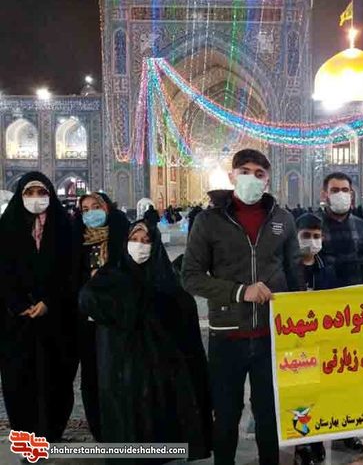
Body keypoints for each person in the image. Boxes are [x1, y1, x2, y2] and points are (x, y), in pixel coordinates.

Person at [182, 149, 303, 465]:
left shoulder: (283, 219)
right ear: (232, 176)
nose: (252, 178)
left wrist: (302, 318)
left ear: (268, 179)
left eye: (259, 173)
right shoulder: (209, 221)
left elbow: (294, 274)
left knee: (269, 414)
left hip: (271, 336)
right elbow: (191, 277)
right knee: (226, 416)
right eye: (245, 172)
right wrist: (240, 292)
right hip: (227, 335)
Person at [79, 221, 212, 462]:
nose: (139, 245)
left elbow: (182, 319)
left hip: (159, 372)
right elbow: (89, 299)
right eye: (134, 239)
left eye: (146, 241)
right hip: (121, 371)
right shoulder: (111, 275)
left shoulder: (166, 280)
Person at [0, 172, 78, 442]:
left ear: (51, 195)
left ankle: (52, 433)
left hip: (56, 320)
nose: (36, 198)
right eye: (29, 193)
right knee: (18, 380)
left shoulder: (64, 227)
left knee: (56, 378)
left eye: (41, 193)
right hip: (16, 321)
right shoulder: (6, 228)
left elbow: (71, 272)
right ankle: (26, 437)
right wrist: (17, 304)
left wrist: (49, 302)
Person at [317, 172, 363, 459]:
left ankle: (345, 433)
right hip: (318, 317)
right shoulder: (311, 226)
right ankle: (313, 439)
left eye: (345, 190)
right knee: (318, 378)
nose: (340, 194)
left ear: (352, 194)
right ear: (324, 194)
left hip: (354, 318)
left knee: (349, 376)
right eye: (335, 190)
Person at [71, 192, 129, 440]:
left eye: (96, 206)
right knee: (92, 373)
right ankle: (99, 427)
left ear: (107, 208)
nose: (90, 213)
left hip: (117, 319)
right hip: (86, 320)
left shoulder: (122, 236)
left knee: (119, 370)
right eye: (85, 209)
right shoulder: (77, 239)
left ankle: (123, 425)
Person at [293, 213, 336, 465]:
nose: (312, 241)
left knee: (319, 395)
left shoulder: (327, 268)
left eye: (316, 236)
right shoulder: (286, 269)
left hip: (321, 343)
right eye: (306, 235)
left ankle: (317, 440)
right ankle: (301, 444)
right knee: (299, 398)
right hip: (294, 346)